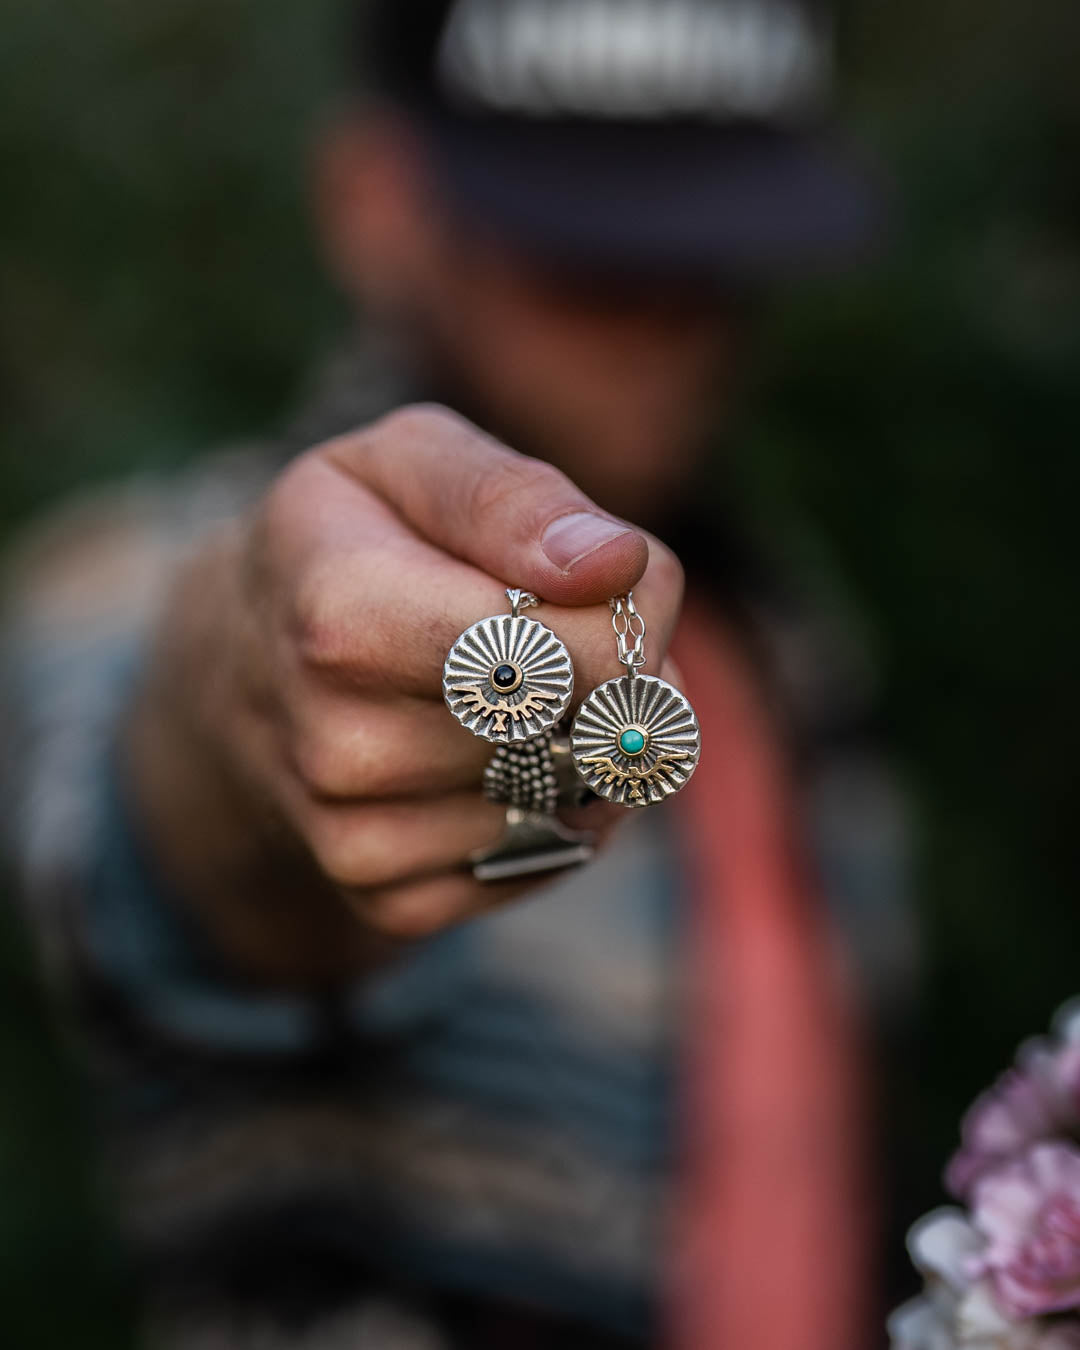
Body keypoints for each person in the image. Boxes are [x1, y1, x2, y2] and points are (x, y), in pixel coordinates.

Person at [1, 1, 917, 1347]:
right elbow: (182, 829)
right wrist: (267, 700)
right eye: (584, 256)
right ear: (375, 203)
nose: (660, 324)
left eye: (712, 259)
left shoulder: (794, 644)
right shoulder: (121, 576)